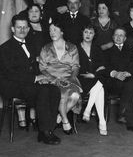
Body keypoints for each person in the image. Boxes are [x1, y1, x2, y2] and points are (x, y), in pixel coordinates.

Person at [0, 14, 61, 145]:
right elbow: (11, 73)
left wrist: (43, 77)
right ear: (12, 29)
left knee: (54, 90)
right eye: (18, 27)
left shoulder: (31, 45)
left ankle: (47, 128)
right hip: (12, 86)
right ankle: (45, 132)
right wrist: (35, 78)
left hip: (28, 84)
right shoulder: (5, 48)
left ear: (28, 29)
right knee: (43, 92)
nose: (22, 30)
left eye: (24, 27)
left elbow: (34, 67)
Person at [39, 21, 82, 135]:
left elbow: (76, 66)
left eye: (55, 30)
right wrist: (53, 79)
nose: (52, 33)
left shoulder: (72, 47)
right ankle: (65, 120)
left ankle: (58, 117)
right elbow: (42, 68)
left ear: (62, 32)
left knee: (75, 95)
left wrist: (71, 79)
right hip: (50, 79)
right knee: (62, 94)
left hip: (68, 78)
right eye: (50, 30)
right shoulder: (46, 48)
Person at [104, 28, 133, 132]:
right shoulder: (107, 52)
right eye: (116, 35)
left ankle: (122, 111)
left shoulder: (131, 51)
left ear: (125, 38)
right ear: (112, 37)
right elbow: (105, 67)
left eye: (121, 35)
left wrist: (127, 72)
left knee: (129, 85)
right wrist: (116, 74)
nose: (118, 37)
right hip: (114, 82)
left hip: (128, 79)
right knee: (129, 88)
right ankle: (131, 122)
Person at [77, 24, 107, 135]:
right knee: (100, 87)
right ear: (82, 33)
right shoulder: (76, 48)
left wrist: (93, 74)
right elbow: (75, 67)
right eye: (86, 32)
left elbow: (102, 66)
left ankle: (88, 110)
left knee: (99, 82)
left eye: (91, 33)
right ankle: (101, 122)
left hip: (95, 77)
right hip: (81, 79)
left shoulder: (97, 48)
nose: (88, 35)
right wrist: (88, 74)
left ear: (94, 35)